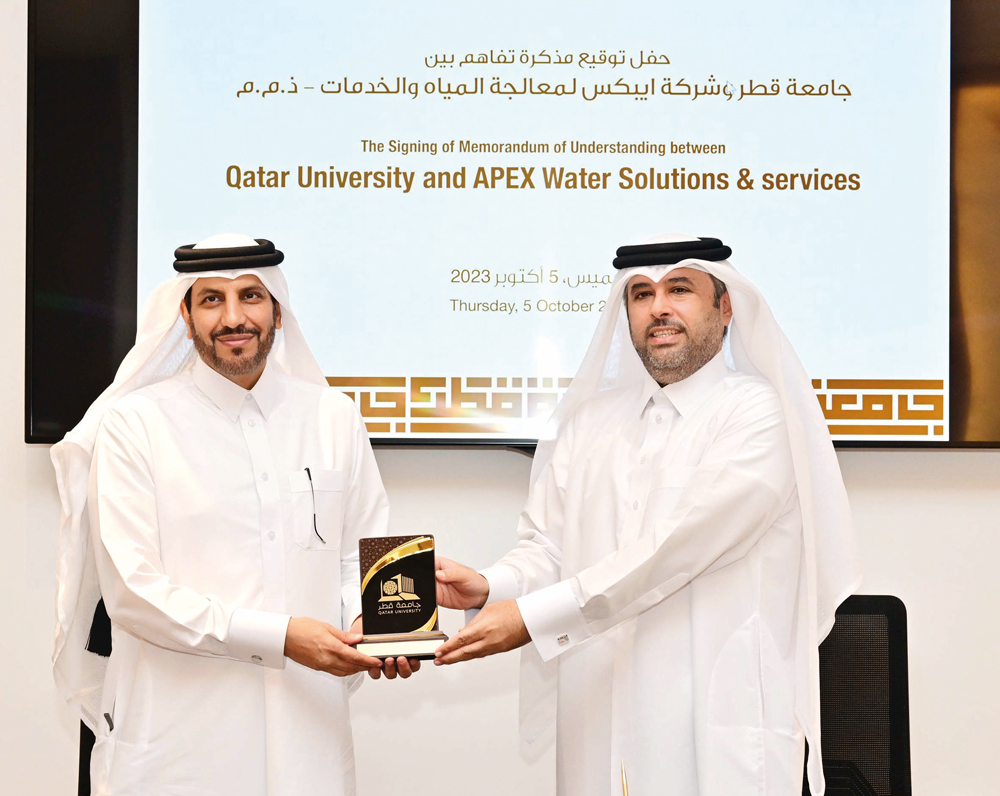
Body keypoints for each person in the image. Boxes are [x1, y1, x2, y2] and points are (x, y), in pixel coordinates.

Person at [433, 234, 861, 795]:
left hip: (713, 726)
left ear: (725, 307)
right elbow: (550, 548)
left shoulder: (759, 414)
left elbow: (673, 550)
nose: (657, 306)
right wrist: (489, 587)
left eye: (679, 289)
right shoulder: (590, 423)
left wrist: (530, 618)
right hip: (600, 719)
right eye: (640, 294)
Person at [51, 234, 414, 796]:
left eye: (251, 296)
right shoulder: (135, 425)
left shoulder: (333, 416)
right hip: (179, 742)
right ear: (187, 315)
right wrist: (283, 637)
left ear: (277, 310)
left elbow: (357, 556)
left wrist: (383, 630)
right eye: (212, 300)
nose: (234, 317)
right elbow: (133, 592)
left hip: (307, 734)